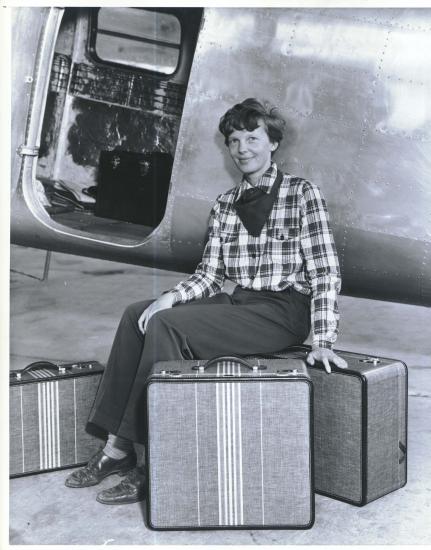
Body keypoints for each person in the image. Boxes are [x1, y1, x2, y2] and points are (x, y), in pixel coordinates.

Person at [65, 98, 347, 504]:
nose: (243, 148)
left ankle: (150, 462)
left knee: (168, 326)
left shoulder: (302, 194)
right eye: (234, 140)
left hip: (286, 310)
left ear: (273, 144)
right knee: (139, 314)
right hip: (243, 302)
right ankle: (116, 448)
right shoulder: (225, 204)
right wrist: (170, 297)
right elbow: (212, 275)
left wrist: (323, 339)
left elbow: (325, 271)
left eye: (253, 138)